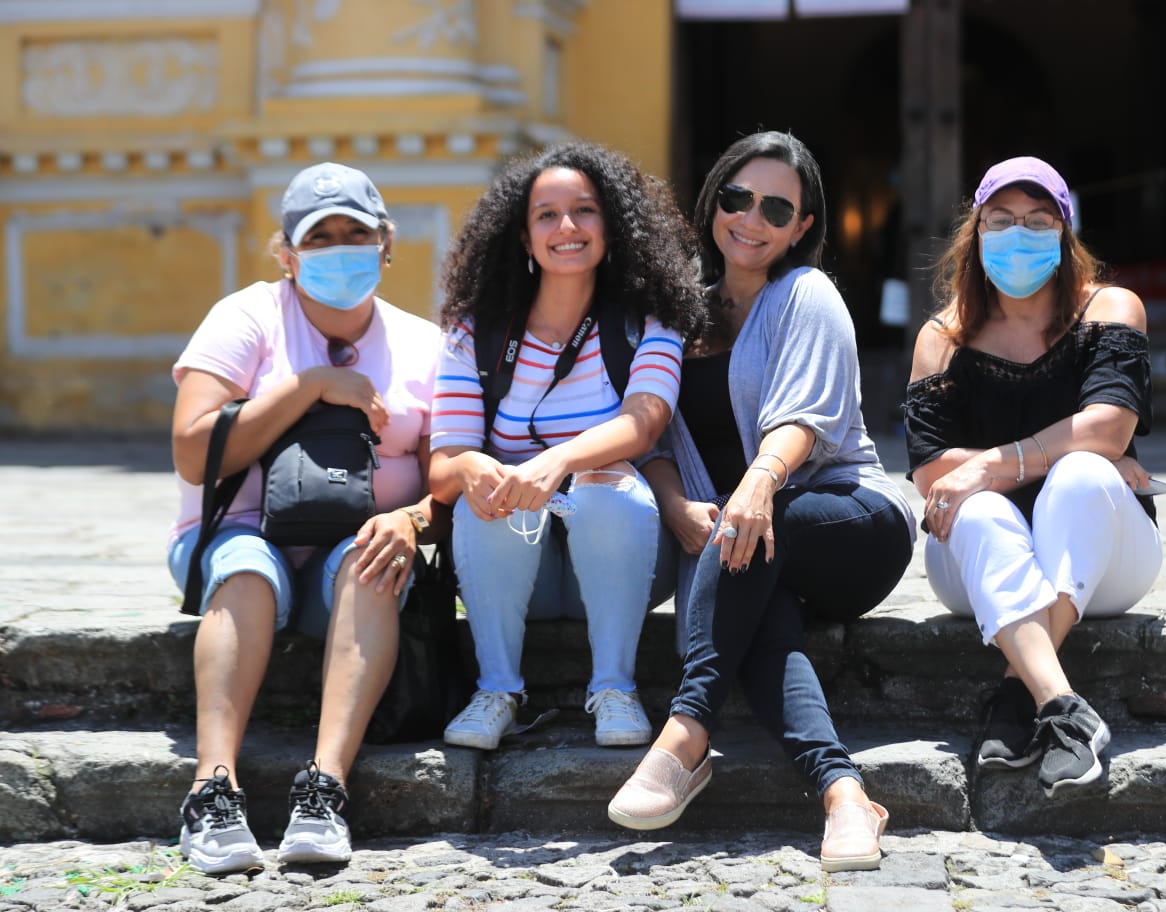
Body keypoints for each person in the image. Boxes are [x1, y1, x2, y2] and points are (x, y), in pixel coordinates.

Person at [606, 131, 915, 873]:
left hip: (847, 521)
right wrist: (679, 504)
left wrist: (756, 485)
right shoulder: (675, 312)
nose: (753, 218)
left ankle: (685, 733)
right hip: (742, 543)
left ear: (803, 227)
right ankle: (845, 794)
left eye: (778, 207)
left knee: (751, 536)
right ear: (714, 200)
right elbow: (645, 431)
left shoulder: (806, 294)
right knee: (761, 621)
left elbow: (803, 420)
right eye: (739, 197)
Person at [167, 162, 446, 873]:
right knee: (246, 575)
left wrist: (410, 520)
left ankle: (324, 789)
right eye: (319, 236)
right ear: (286, 253)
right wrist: (311, 385)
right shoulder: (245, 317)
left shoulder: (424, 345)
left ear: (387, 243)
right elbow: (196, 453)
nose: (340, 247)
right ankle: (212, 788)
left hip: (349, 547)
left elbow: (446, 474)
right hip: (242, 530)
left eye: (357, 231)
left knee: (375, 563)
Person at [428, 142, 706, 751]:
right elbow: (443, 465)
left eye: (585, 211)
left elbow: (645, 422)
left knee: (608, 485)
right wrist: (475, 465)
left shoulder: (646, 318)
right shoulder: (474, 331)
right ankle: (496, 689)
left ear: (613, 226)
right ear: (524, 238)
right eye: (546, 216)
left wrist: (554, 463)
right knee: (493, 491)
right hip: (508, 568)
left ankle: (615, 687)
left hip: (619, 563)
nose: (567, 228)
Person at [902, 156, 1164, 798]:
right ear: (977, 232)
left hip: (1101, 559)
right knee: (987, 506)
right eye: (1002, 220)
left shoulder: (1111, 308)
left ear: (1065, 232)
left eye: (1038, 220)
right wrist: (1071, 448)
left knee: (1078, 474)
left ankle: (1020, 695)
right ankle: (1065, 711)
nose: (1019, 234)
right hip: (976, 559)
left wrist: (994, 463)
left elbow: (1107, 429)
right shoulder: (942, 338)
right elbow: (934, 472)